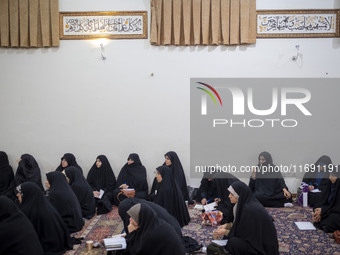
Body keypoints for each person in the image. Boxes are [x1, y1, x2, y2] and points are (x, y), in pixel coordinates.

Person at [208, 181, 279, 255]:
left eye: (232, 194)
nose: (229, 196)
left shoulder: (249, 210)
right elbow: (242, 225)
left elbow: (244, 235)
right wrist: (227, 225)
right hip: (257, 239)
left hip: (263, 247)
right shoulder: (244, 204)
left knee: (232, 242)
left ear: (239, 195)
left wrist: (225, 232)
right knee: (229, 239)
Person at [16, 182, 73, 254]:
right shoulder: (44, 205)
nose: (17, 195)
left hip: (49, 245)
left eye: (20, 193)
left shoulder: (30, 211)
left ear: (27, 194)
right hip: (58, 242)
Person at [118, 197, 183, 238]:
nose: (129, 219)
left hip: (172, 237)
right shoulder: (141, 206)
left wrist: (131, 234)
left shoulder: (144, 213)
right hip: (174, 232)